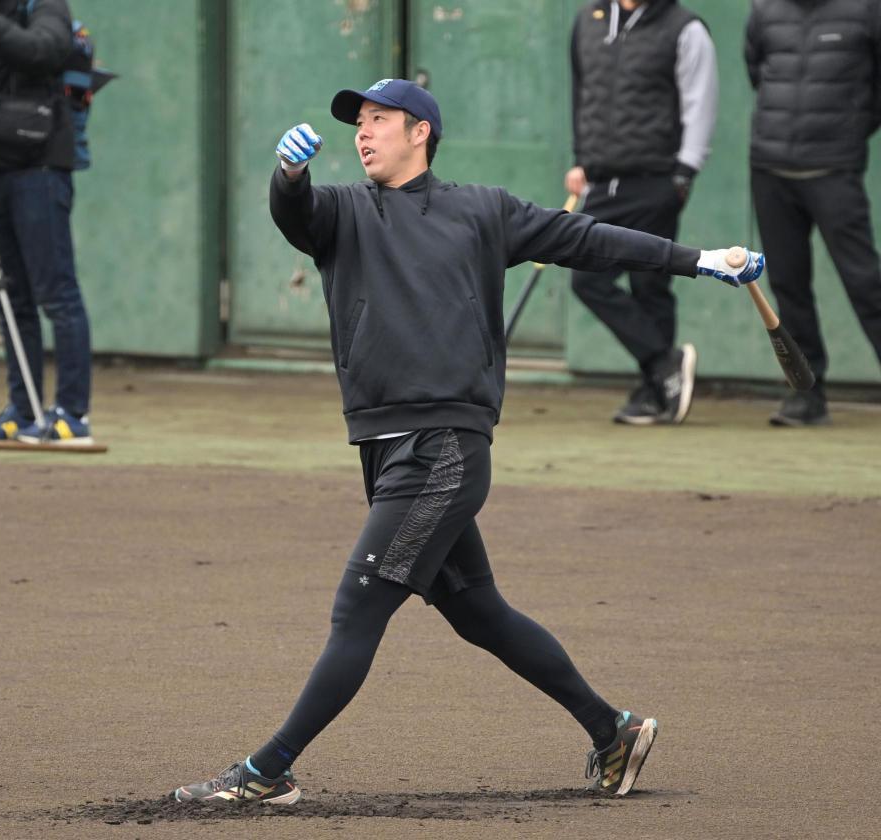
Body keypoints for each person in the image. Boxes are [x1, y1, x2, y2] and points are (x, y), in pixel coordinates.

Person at [170, 79, 762, 805]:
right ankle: (613, 731)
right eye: (358, 123)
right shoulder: (342, 210)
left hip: (441, 450)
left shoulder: (484, 210)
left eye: (379, 119)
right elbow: (294, 213)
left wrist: (699, 259)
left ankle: (267, 771)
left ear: (420, 131)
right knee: (478, 610)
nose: (363, 133)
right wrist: (288, 175)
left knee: (358, 610)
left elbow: (588, 240)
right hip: (388, 446)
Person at [566, 0, 718, 425]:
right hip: (602, 182)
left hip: (657, 178)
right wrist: (582, 161)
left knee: (650, 285)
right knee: (587, 279)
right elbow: (583, 95)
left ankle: (656, 389)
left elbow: (700, 101)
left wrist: (684, 173)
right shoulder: (588, 21)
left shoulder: (684, 28)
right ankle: (664, 366)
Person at [0, 0, 94, 446]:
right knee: (10, 295)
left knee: (57, 294)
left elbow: (42, 51)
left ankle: (72, 413)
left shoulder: (43, 5)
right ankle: (23, 409)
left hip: (38, 168)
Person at [745, 0, 881, 426]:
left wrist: (849, 132)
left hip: (834, 168)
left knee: (865, 282)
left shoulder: (867, 10)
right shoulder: (764, 9)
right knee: (787, 285)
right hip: (770, 169)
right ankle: (807, 397)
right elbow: (757, 70)